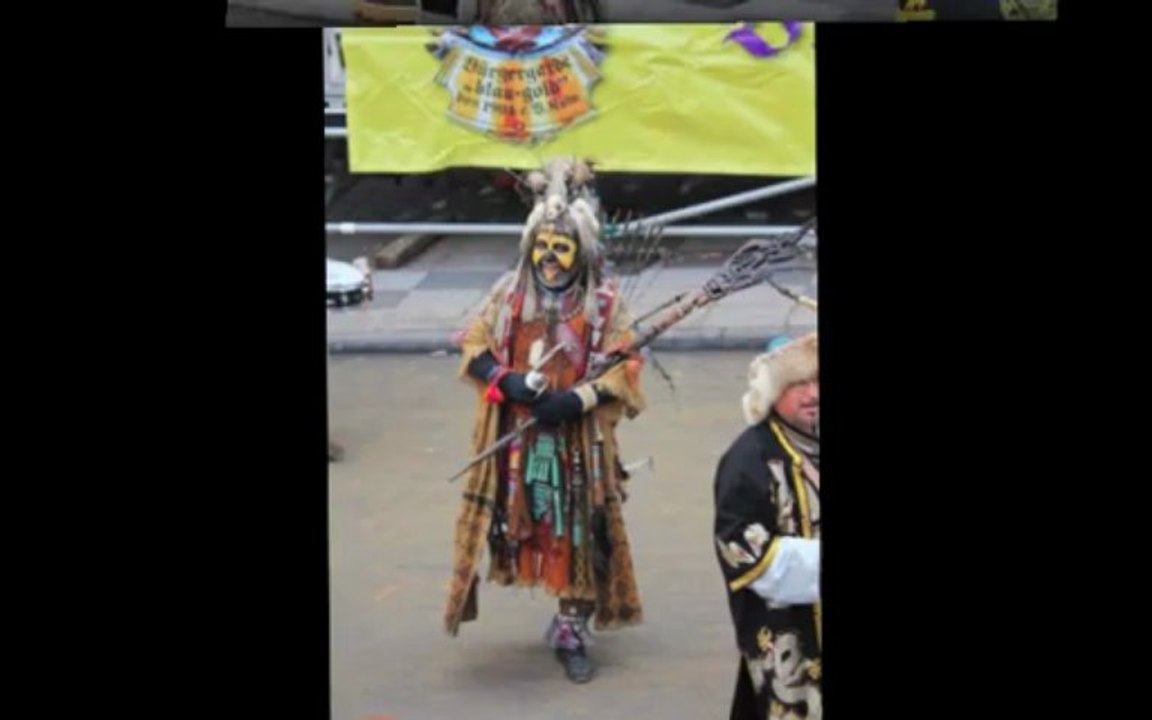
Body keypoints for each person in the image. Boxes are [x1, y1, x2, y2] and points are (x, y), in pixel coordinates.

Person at [443, 196, 646, 684]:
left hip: (579, 444)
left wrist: (580, 400)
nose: (549, 258)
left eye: (561, 247)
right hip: (516, 438)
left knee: (579, 528)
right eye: (542, 246)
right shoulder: (510, 295)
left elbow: (627, 365)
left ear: (582, 252)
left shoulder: (604, 303)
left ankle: (571, 628)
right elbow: (472, 343)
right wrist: (503, 378)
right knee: (516, 522)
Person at [713, 333, 821, 719]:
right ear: (773, 393)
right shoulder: (748, 460)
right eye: (796, 384)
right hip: (789, 633)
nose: (811, 394)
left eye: (816, 380)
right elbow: (745, 554)